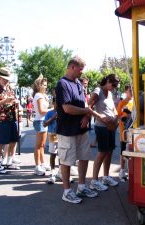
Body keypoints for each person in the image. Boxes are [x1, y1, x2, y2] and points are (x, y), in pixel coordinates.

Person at [55, 56, 98, 204]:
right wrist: (85, 111)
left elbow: (84, 103)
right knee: (66, 161)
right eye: (80, 69)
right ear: (72, 67)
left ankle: (81, 187)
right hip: (67, 130)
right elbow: (67, 108)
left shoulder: (78, 83)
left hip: (82, 129)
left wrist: (86, 116)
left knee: (84, 157)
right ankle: (67, 192)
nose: (81, 72)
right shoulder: (62, 84)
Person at [88, 74, 120, 191]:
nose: (114, 87)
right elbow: (88, 106)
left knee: (110, 151)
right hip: (101, 127)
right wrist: (100, 117)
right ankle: (94, 181)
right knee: (102, 152)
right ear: (107, 81)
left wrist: (116, 117)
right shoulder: (98, 90)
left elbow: (113, 109)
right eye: (113, 84)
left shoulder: (110, 93)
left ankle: (105, 177)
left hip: (111, 126)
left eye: (116, 86)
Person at [0, 67, 20, 174]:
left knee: (13, 140)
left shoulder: (8, 87)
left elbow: (12, 97)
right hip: (1, 118)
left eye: (7, 79)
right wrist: (5, 100)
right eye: (5, 79)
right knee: (0, 142)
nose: (6, 81)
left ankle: (9, 162)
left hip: (11, 116)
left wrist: (15, 102)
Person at [32, 74, 50, 176]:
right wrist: (52, 110)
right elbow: (41, 111)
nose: (46, 86)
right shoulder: (38, 95)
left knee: (42, 145)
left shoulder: (42, 96)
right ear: (39, 85)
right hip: (40, 121)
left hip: (43, 121)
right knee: (38, 145)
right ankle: (37, 166)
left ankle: (42, 163)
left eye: (46, 85)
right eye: (44, 85)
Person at [116, 85, 133, 181]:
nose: (131, 92)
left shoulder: (135, 102)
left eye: (132, 90)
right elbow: (118, 116)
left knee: (131, 151)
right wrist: (123, 118)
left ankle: (131, 171)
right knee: (123, 151)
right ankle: (122, 171)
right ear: (126, 92)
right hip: (124, 131)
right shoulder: (122, 103)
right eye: (129, 90)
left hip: (133, 130)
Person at [45, 95, 61, 183]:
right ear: (53, 103)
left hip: (62, 134)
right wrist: (53, 118)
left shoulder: (63, 112)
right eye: (56, 102)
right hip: (53, 134)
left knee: (61, 154)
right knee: (53, 153)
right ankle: (52, 172)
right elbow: (44, 124)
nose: (58, 104)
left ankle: (61, 172)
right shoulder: (49, 113)